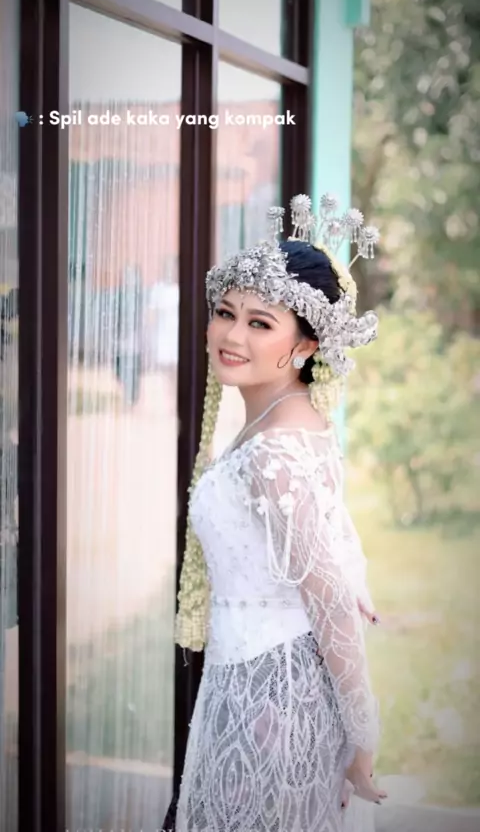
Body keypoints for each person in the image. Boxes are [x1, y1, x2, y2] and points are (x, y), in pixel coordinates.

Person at [173, 194, 387, 832]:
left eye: (261, 323)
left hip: (272, 700)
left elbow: (329, 601)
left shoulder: (274, 453)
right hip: (253, 683)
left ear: (305, 346)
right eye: (225, 313)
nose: (232, 336)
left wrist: (363, 737)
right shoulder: (287, 422)